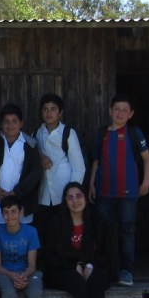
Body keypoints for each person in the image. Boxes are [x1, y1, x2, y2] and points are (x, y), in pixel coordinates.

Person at [43, 182, 116, 298]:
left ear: (85, 198)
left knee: (95, 282)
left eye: (79, 196)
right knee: (78, 284)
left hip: (94, 266)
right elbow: (51, 256)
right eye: (70, 197)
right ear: (65, 201)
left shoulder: (97, 221)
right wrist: (73, 266)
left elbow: (107, 253)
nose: (75, 201)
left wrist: (89, 265)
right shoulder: (57, 223)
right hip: (63, 269)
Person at [88, 94, 149, 287]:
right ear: (110, 111)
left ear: (131, 114)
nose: (120, 113)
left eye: (125, 110)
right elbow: (96, 161)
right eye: (117, 109)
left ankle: (126, 271)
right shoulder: (101, 133)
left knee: (127, 231)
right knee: (103, 231)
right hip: (104, 191)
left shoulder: (135, 133)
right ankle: (104, 269)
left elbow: (147, 159)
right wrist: (91, 184)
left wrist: (146, 182)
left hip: (129, 193)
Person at [0, 103, 41, 225]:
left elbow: (36, 172)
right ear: (1, 124)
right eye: (6, 122)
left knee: (21, 233)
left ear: (21, 123)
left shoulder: (30, 144)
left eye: (14, 121)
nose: (10, 125)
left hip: (22, 201)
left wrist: (17, 192)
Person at [35, 94, 86, 232]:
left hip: (63, 192)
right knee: (46, 230)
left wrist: (72, 195)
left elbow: (79, 168)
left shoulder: (67, 133)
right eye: (45, 109)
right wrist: (40, 157)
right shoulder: (37, 133)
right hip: (44, 194)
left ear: (60, 112)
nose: (49, 113)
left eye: (53, 109)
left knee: (64, 230)